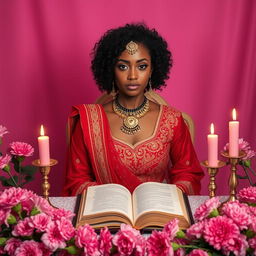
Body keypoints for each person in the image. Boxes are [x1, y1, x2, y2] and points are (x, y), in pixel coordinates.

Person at [63, 23, 204, 196]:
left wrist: (167, 198)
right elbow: (77, 181)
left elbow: (188, 174)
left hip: (158, 215)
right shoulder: (89, 121)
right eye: (123, 66)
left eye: (142, 66)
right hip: (107, 216)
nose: (132, 76)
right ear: (111, 70)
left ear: (152, 69)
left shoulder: (172, 120)